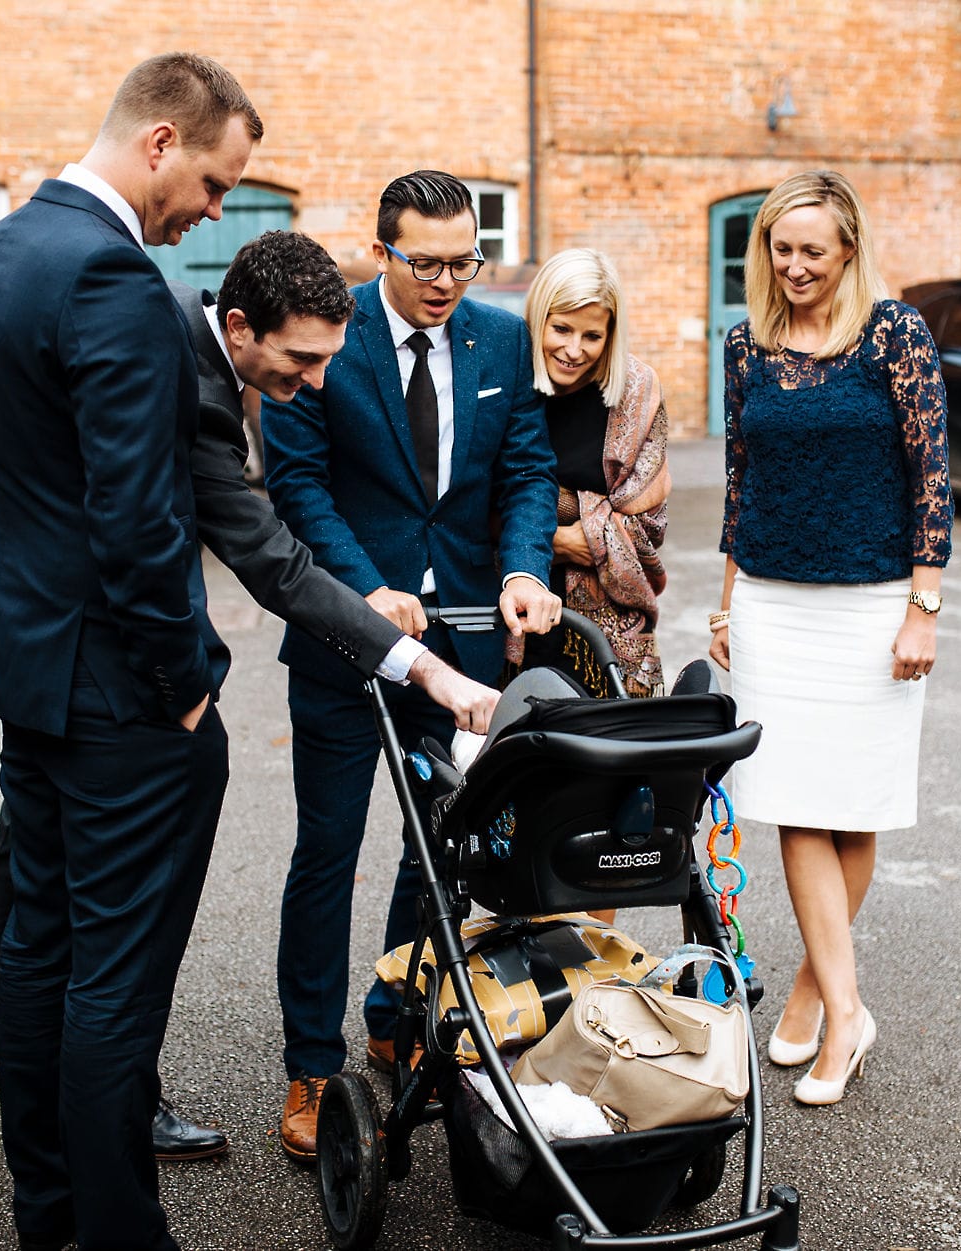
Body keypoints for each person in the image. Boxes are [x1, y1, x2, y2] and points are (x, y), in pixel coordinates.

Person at [0, 231, 500, 1161]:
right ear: (241, 326)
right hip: (115, 680)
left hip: (34, 653)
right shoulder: (182, 372)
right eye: (300, 359)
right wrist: (188, 686)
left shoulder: (154, 320)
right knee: (114, 940)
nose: (318, 383)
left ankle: (18, 1058)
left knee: (42, 896)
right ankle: (107, 1120)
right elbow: (266, 559)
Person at [0, 53, 259, 1251]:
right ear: (158, 144)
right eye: (215, 178)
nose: (215, 207)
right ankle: (118, 1236)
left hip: (26, 669)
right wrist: (185, 682)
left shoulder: (8, 249)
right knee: (114, 989)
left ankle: (53, 1219)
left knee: (38, 950)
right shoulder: (114, 282)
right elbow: (137, 523)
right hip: (120, 699)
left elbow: (21, 484)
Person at [261, 170, 562, 1159]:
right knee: (327, 852)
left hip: (468, 646)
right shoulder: (324, 337)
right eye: (422, 261)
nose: (443, 281)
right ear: (380, 249)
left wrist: (522, 567)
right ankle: (312, 1066)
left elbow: (523, 466)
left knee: (435, 847)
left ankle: (396, 1012)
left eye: (460, 261)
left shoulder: (502, 338)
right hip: (342, 640)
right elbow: (299, 488)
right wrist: (362, 593)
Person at [705, 170, 952, 1107]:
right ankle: (849, 1011)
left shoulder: (892, 333)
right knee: (796, 802)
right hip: (773, 602)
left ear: (848, 249)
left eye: (814, 249)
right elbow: (741, 483)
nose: (795, 265)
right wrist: (727, 602)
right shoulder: (747, 346)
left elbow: (932, 470)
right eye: (781, 247)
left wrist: (923, 606)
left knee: (854, 806)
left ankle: (819, 987)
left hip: (872, 602)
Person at [524, 247, 672, 699]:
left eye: (592, 336)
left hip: (608, 632)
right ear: (537, 319)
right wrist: (552, 542)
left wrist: (571, 521)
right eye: (561, 329)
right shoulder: (506, 384)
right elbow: (470, 503)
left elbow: (647, 521)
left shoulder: (637, 393)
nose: (573, 350)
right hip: (511, 608)